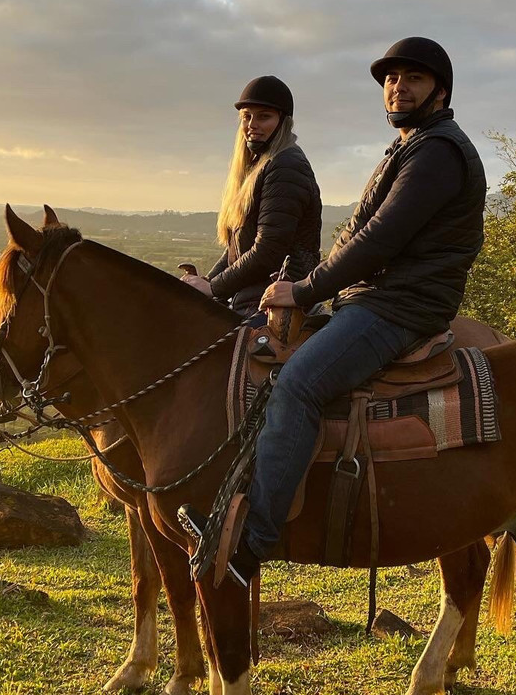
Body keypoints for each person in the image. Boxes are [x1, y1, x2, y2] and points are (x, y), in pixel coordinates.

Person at [181, 38, 487, 587]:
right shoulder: (410, 146)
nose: (398, 87)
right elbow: (356, 231)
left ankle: (254, 541)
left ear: (440, 91)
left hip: (401, 307)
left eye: (413, 78)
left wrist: (302, 291)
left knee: (297, 384)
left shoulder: (438, 153)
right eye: (391, 78)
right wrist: (317, 285)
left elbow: (380, 239)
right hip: (374, 298)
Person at [181, 76, 322, 324]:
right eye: (247, 116)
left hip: (273, 302)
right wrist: (208, 282)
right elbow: (237, 250)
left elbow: (268, 250)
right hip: (252, 298)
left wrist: (213, 288)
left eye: (264, 117)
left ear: (283, 122)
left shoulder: (286, 165)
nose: (252, 125)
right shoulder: (261, 164)